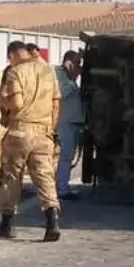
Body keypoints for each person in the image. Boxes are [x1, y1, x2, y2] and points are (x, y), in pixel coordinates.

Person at [0, 40, 63, 241]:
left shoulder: (15, 72)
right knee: (44, 177)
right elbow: (56, 104)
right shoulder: (49, 71)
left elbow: (17, 104)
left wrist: (2, 103)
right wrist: (50, 129)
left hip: (20, 132)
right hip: (44, 132)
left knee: (12, 177)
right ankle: (52, 222)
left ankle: (6, 225)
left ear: (12, 55)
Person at [54, 50, 84, 201]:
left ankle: (59, 184)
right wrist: (72, 77)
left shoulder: (69, 77)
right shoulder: (59, 74)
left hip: (73, 120)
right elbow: (63, 93)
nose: (79, 67)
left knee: (68, 156)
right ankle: (62, 189)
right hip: (65, 121)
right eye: (76, 63)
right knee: (65, 156)